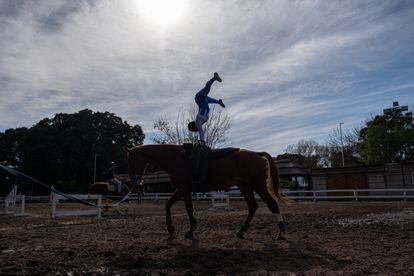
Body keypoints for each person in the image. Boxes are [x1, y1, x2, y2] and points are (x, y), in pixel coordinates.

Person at [188, 72, 225, 143]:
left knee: (207, 89)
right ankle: (219, 102)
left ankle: (214, 78)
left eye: (195, 130)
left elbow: (201, 132)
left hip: (199, 98)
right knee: (212, 100)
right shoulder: (202, 121)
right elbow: (200, 131)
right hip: (204, 101)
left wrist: (202, 141)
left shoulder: (198, 121)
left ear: (195, 127)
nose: (197, 130)